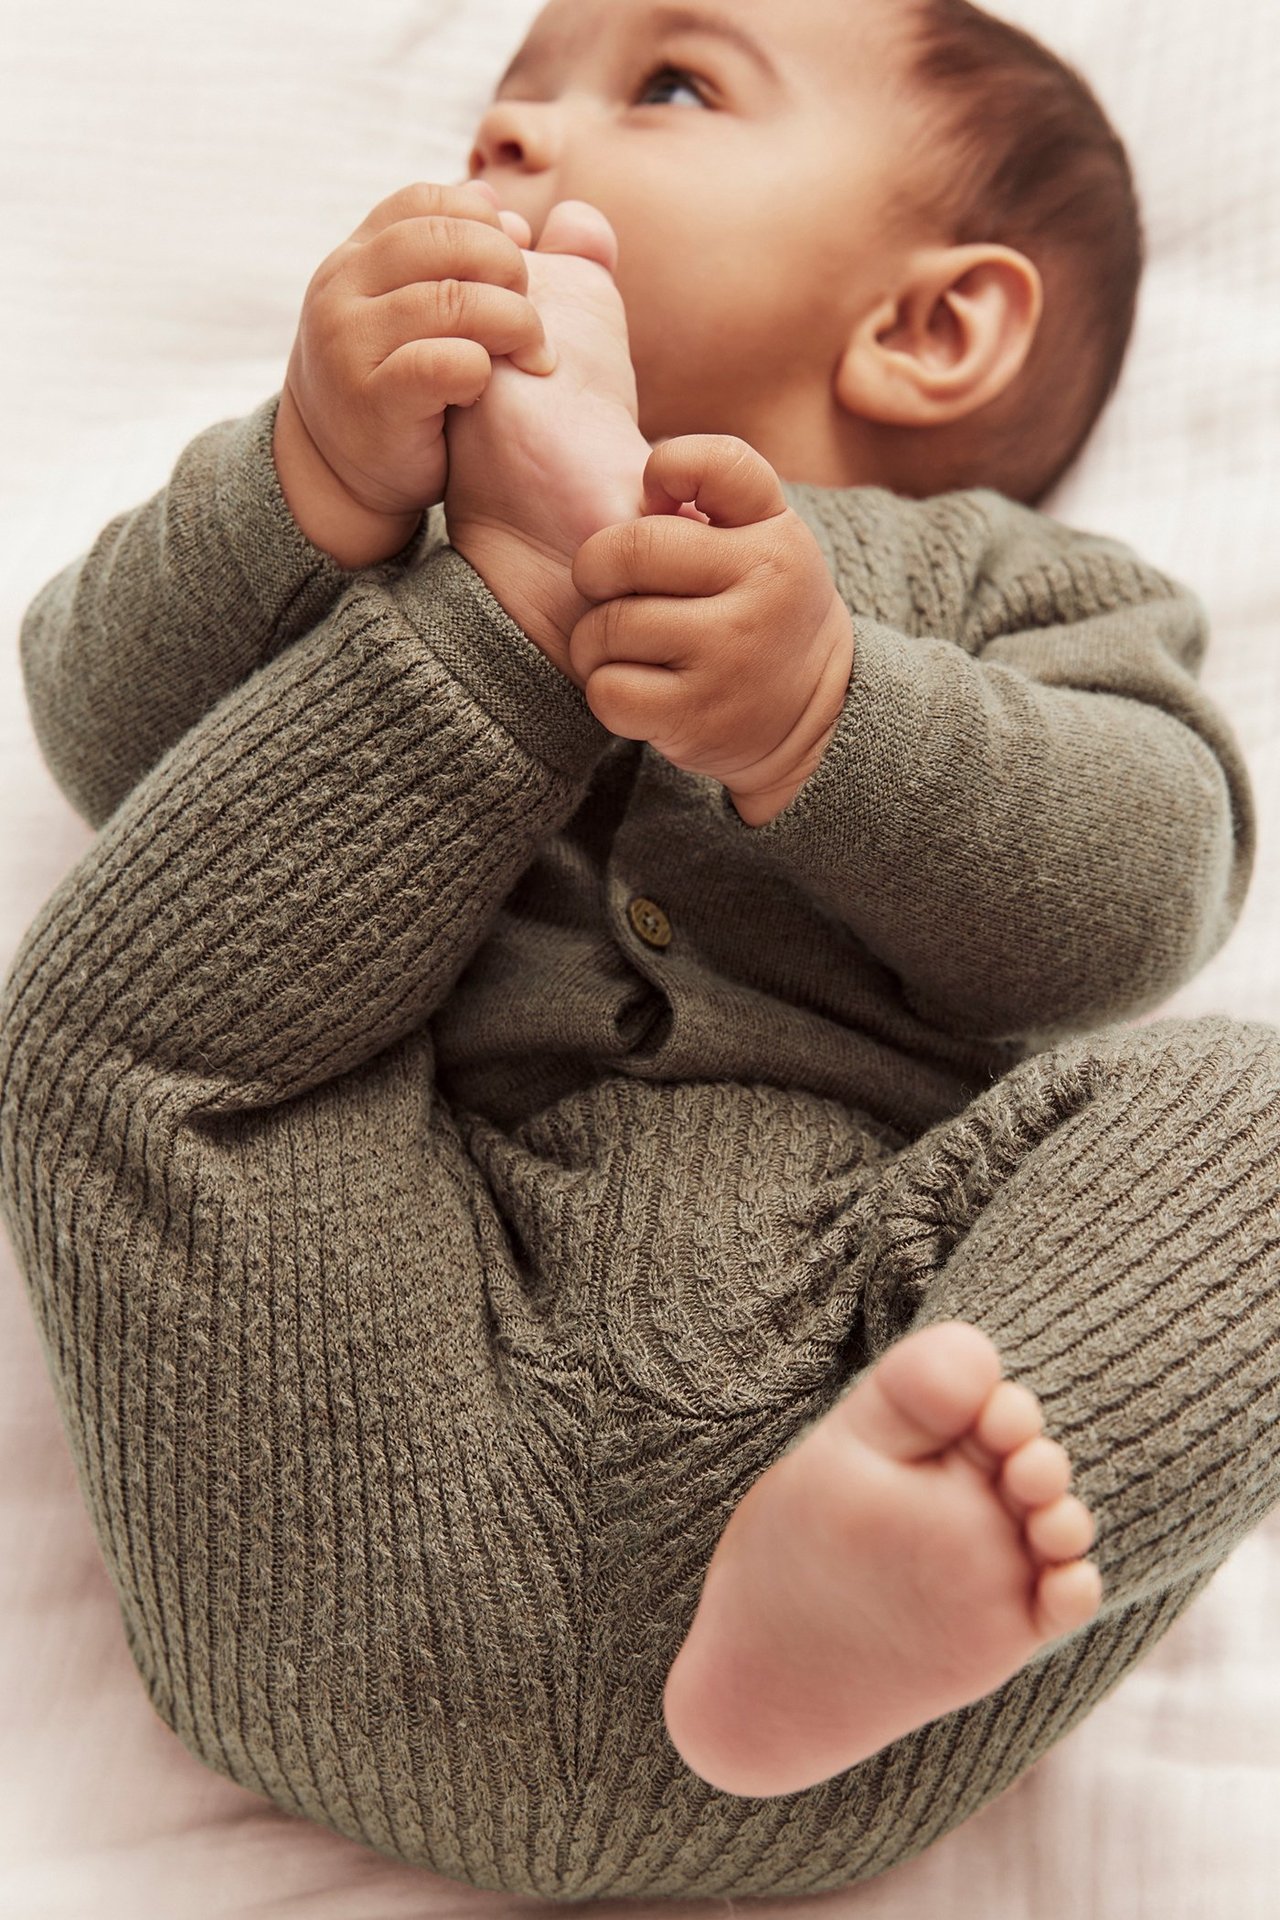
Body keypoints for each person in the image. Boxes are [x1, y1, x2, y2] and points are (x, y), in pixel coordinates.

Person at [3, 0, 1278, 1900]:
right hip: (342, 1431)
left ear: (933, 326)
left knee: (1255, 1114)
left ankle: (945, 1517)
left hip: (844, 1407)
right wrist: (313, 482)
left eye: (665, 83)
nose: (514, 134)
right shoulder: (367, 516)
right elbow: (111, 745)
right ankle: (518, 610)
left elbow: (1141, 893)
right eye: (501, 96)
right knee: (106, 1024)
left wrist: (827, 713)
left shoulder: (1015, 585)